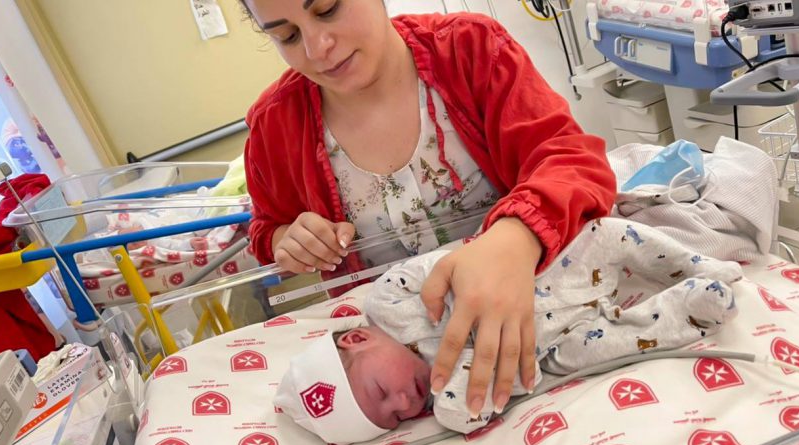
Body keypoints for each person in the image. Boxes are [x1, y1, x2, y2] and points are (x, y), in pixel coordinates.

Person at [240, 0, 617, 419]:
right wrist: (287, 240)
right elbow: (266, 228)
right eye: (286, 36)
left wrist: (516, 235)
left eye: (328, 9)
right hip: (409, 359)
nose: (317, 47)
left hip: (533, 296)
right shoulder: (275, 125)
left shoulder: (470, 50)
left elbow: (570, 160)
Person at [273, 218, 743, 445]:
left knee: (607, 233)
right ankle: (691, 307)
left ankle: (694, 264)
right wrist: (456, 401)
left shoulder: (389, 303)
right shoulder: (443, 398)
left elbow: (452, 263)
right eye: (392, 420)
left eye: (380, 391)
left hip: (550, 275)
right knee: (610, 345)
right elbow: (480, 405)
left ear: (357, 338)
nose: (403, 406)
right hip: (556, 344)